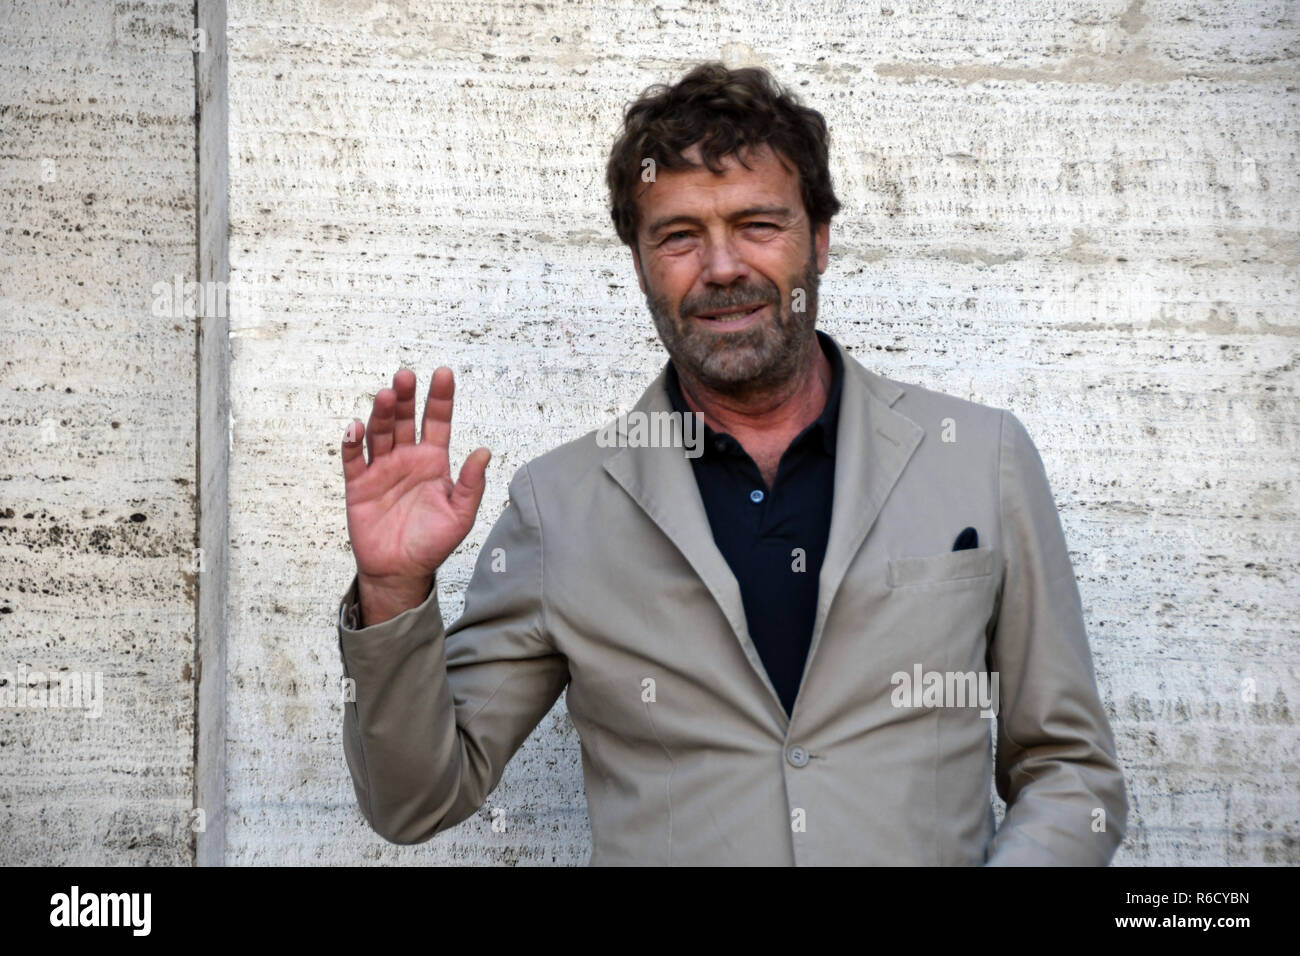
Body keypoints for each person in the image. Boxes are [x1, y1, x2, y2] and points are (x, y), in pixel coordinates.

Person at [335, 62, 1127, 865]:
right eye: (679, 236)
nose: (721, 268)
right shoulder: (559, 506)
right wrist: (394, 593)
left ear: (818, 239)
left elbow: (1067, 768)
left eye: (758, 224)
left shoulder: (980, 460)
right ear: (639, 263)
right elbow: (415, 800)